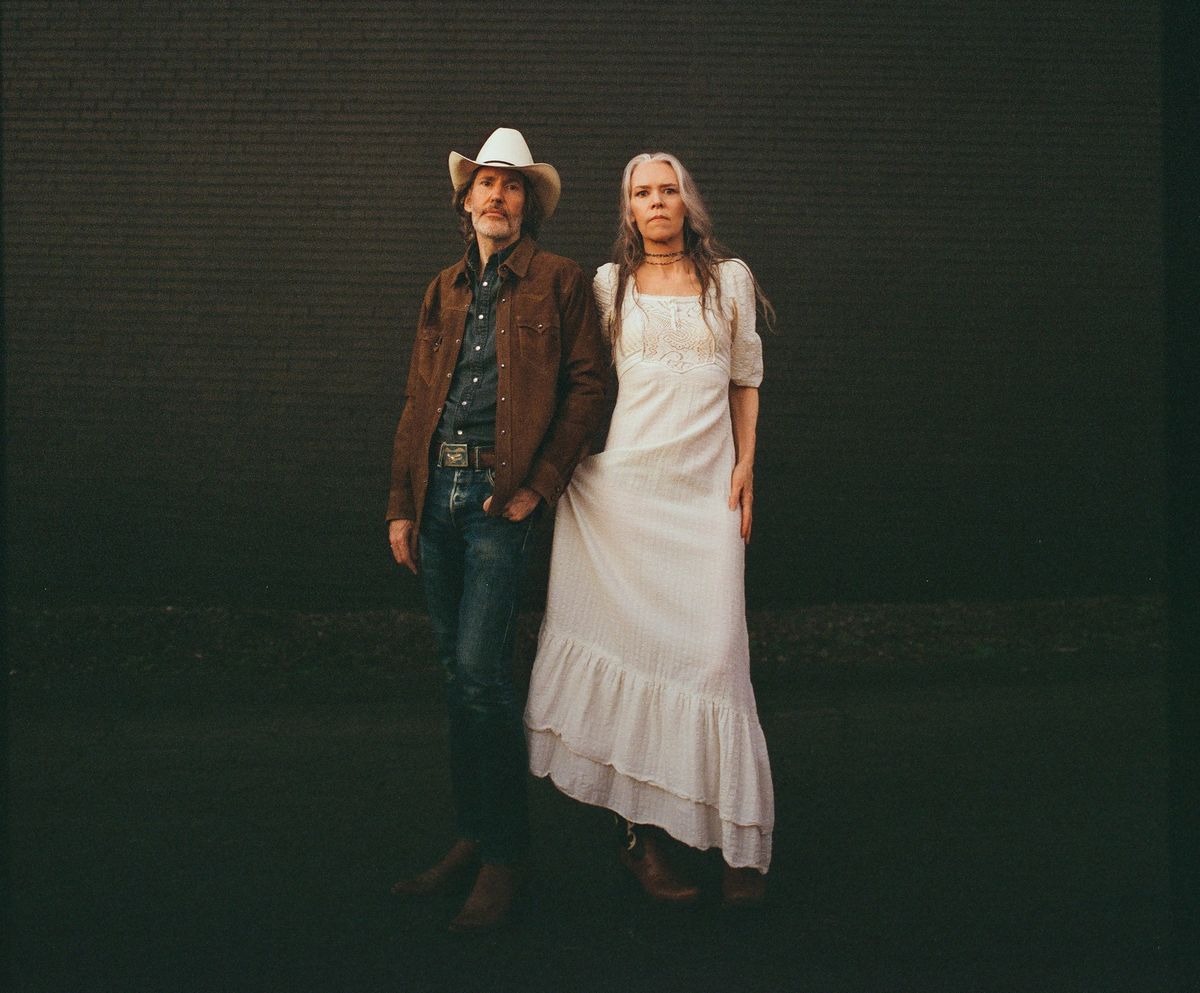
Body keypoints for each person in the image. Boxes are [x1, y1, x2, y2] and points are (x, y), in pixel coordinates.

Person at [524, 151, 775, 906]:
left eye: (669, 190)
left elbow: (746, 379)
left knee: (715, 661)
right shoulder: (611, 287)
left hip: (703, 503)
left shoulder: (728, 280)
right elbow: (583, 383)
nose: (658, 202)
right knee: (640, 657)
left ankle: (740, 849)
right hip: (626, 498)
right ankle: (644, 841)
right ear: (628, 210)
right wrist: (552, 466)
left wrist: (746, 469)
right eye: (643, 193)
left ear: (687, 202)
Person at [386, 127, 607, 932]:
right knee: (457, 677)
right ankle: (472, 837)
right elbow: (418, 399)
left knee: (483, 674)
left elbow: (589, 390)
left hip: (496, 500)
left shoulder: (560, 282)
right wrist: (400, 504)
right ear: (465, 198)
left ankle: (506, 855)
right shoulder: (441, 288)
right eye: (486, 183)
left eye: (512, 186)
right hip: (435, 489)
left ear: (528, 204)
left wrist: (539, 486)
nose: (497, 197)